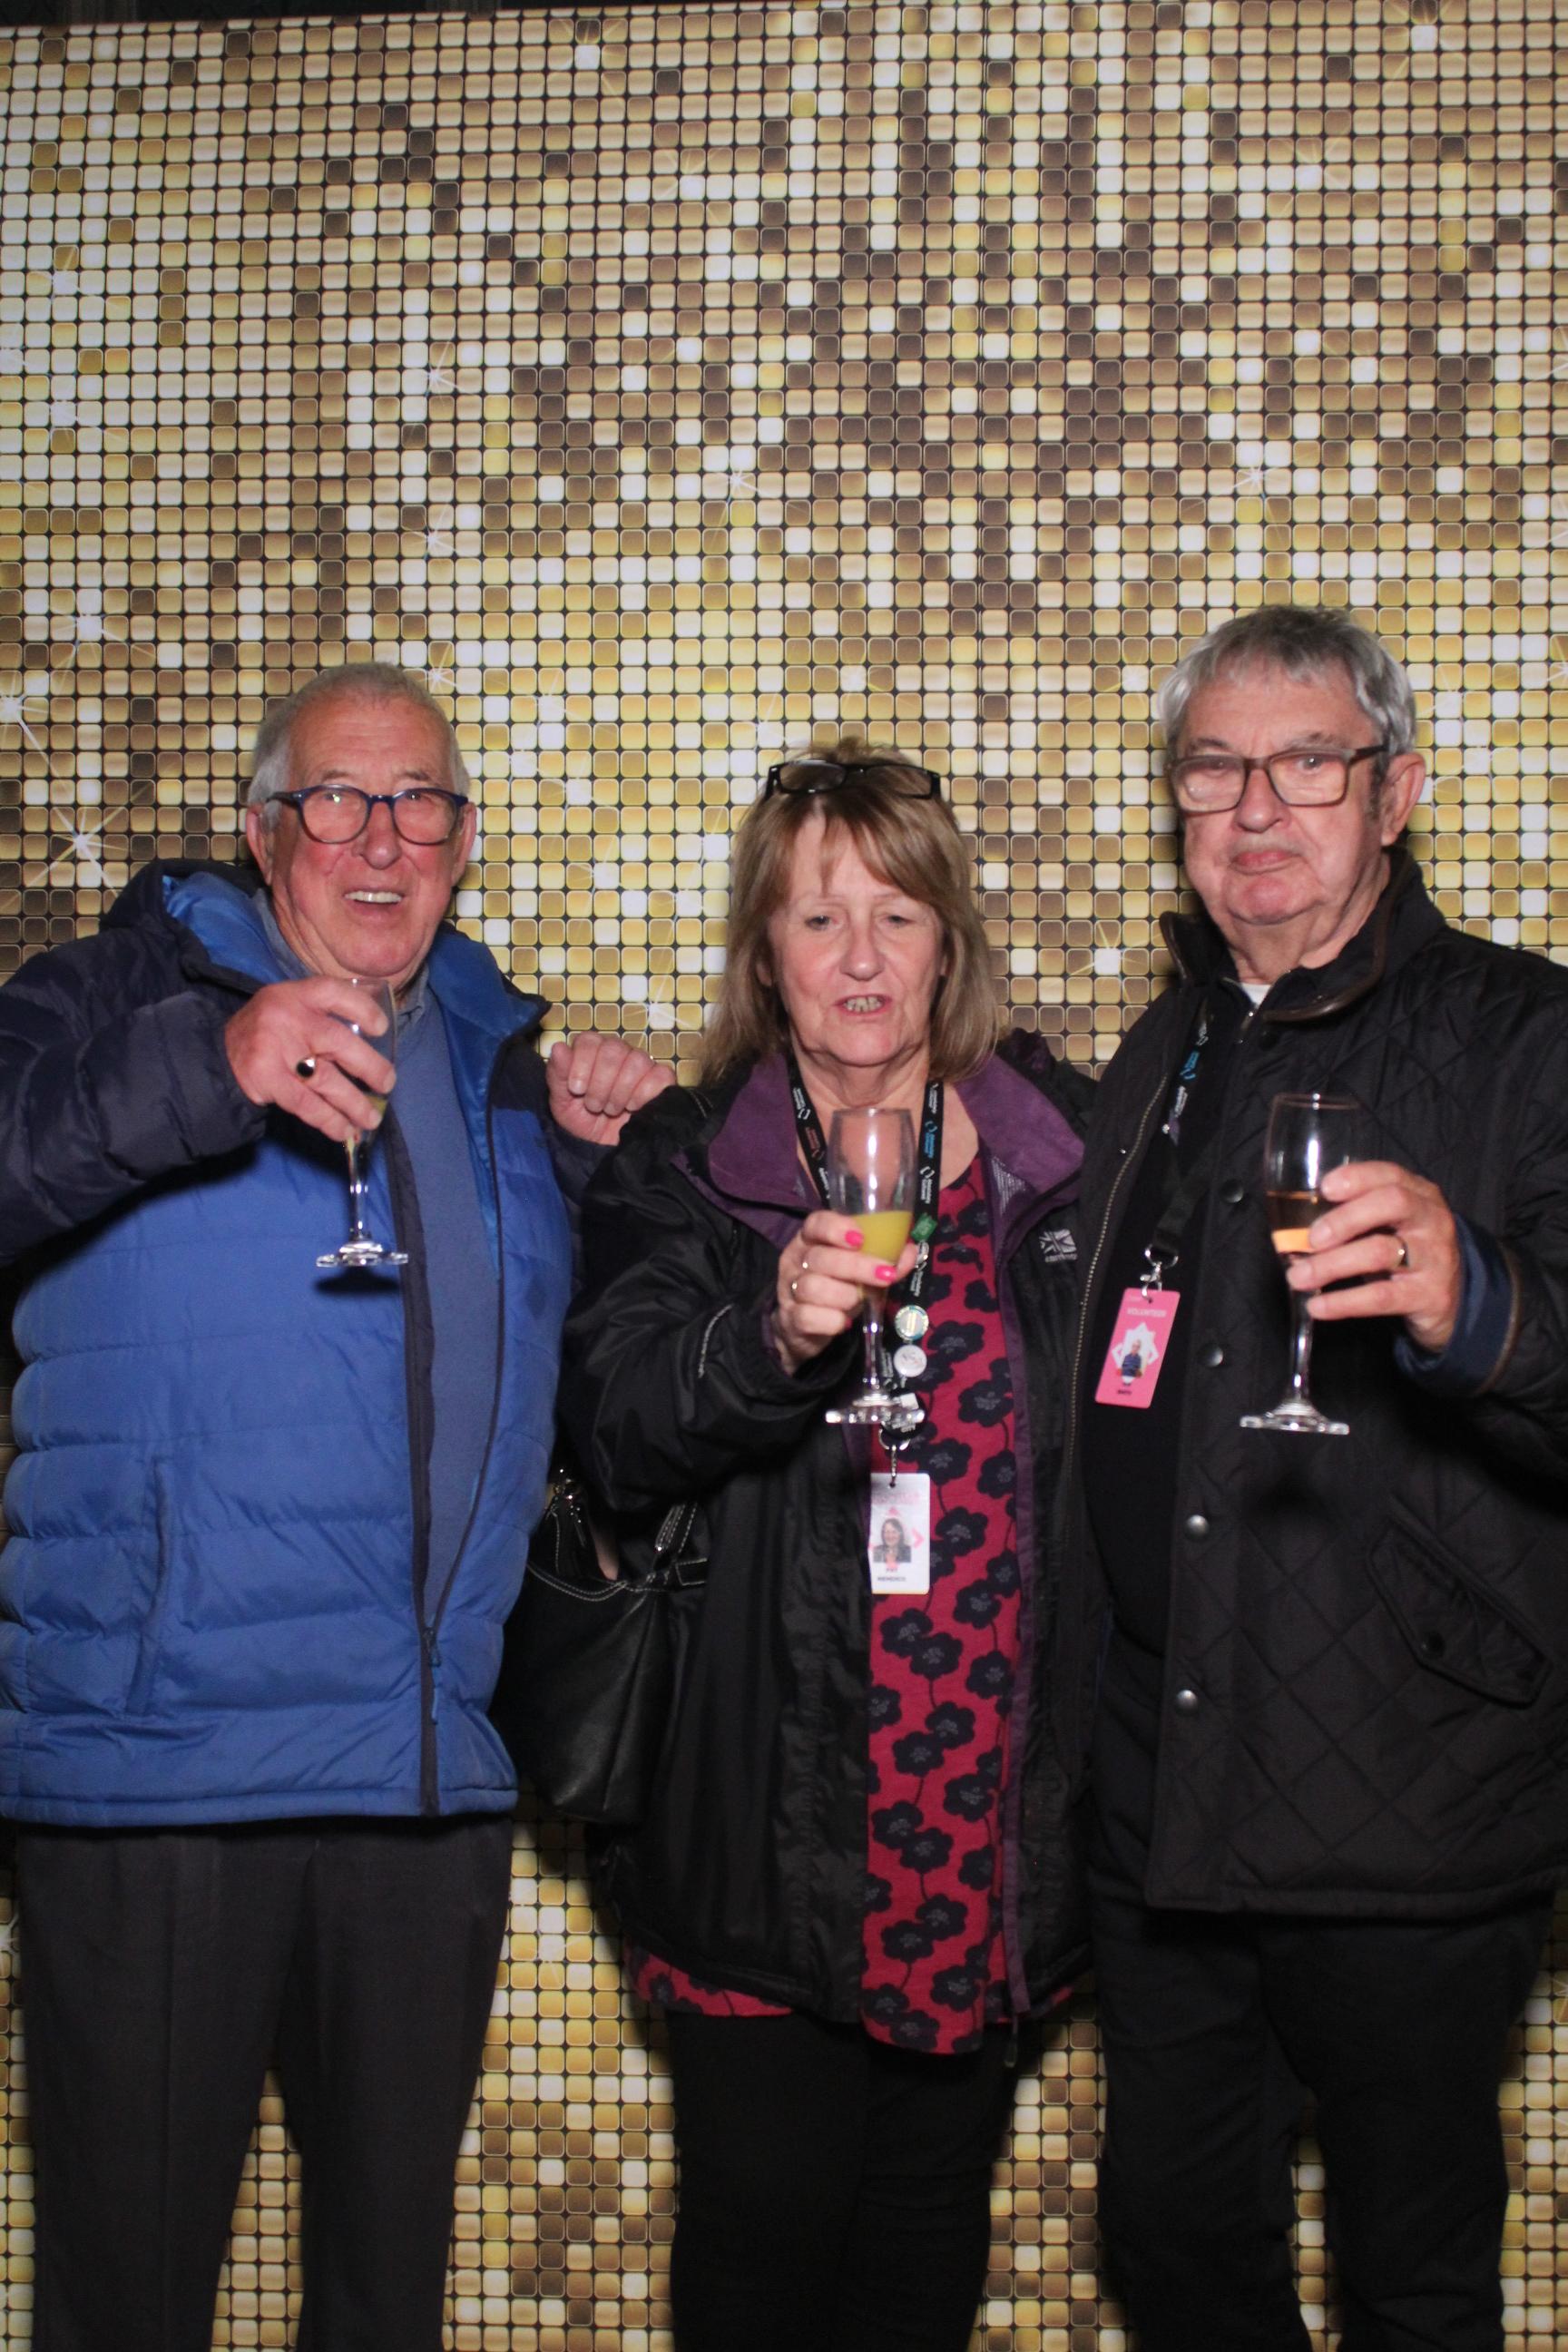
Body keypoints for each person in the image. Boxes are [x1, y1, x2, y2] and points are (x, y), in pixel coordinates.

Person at [0, 661, 669, 2352]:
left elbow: (516, 1359)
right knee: (127, 2300)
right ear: (260, 829)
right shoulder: (108, 995)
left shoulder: (497, 1050)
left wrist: (592, 1180)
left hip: (420, 1777)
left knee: (386, 2309)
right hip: (167, 1774)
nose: (383, 840)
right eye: (338, 802)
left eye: (423, 805)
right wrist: (206, 1065)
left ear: (463, 839)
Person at [559, 740, 1093, 2352]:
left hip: (978, 1813)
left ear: (951, 941)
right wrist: (758, 1341)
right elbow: (617, 1423)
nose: (861, 957)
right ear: (764, 953)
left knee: (923, 2246)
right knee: (764, 2236)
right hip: (764, 1806)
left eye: (898, 914)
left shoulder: (1059, 1150)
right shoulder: (689, 1164)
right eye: (816, 919)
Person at [1075, 605, 1568, 2352]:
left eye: (1307, 765)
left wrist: (1483, 1302)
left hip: (1409, 1802)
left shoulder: (1528, 1039)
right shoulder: (1173, 1048)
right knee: (1173, 2243)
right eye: (1214, 767)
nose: (1256, 808)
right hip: (1167, 1799)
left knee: (1411, 2278)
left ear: (1399, 793)